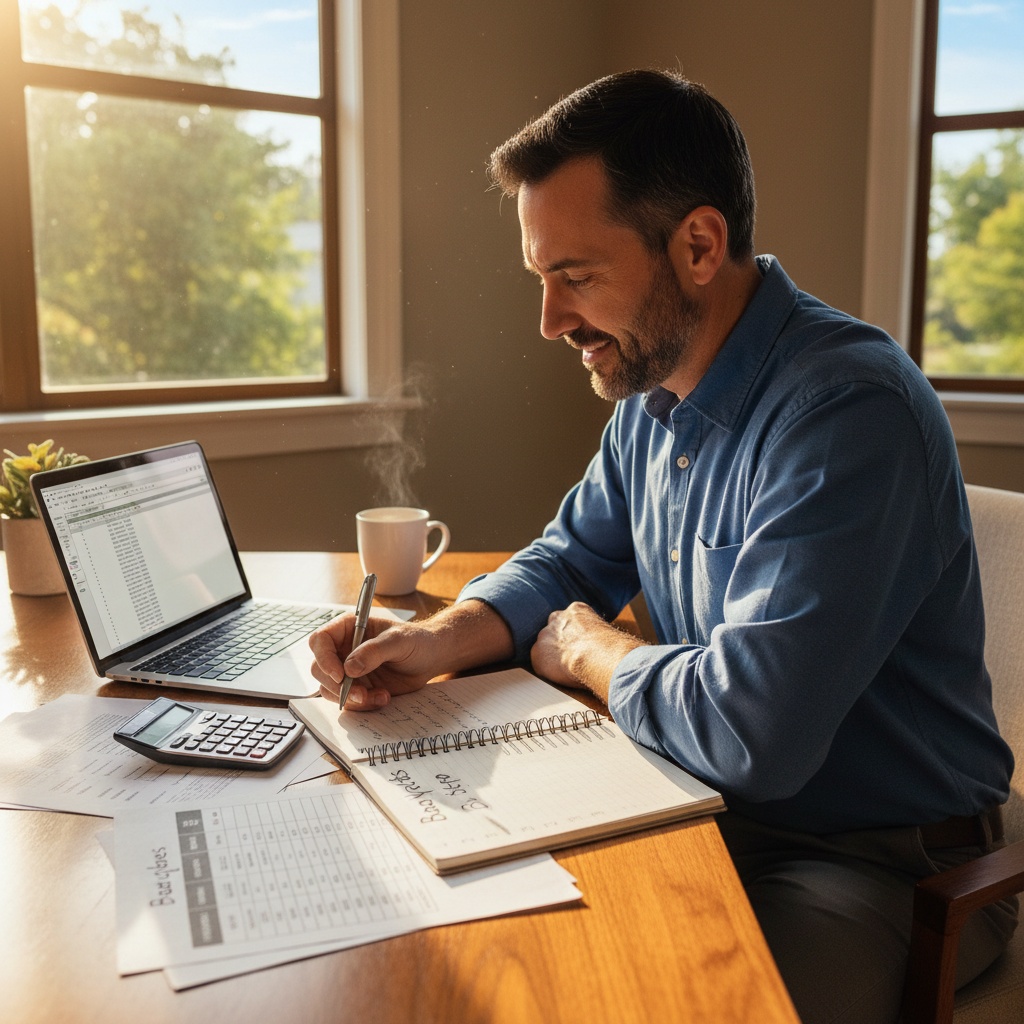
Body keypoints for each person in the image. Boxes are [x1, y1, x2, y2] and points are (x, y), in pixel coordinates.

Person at [310, 69, 1016, 1023]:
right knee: (464, 942)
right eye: (542, 278)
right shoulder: (655, 397)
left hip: (880, 863)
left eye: (577, 277)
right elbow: (566, 561)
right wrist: (449, 634)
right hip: (696, 805)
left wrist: (596, 651)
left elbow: (749, 734)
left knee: (662, 1002)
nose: (552, 321)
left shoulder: (849, 413)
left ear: (697, 244)